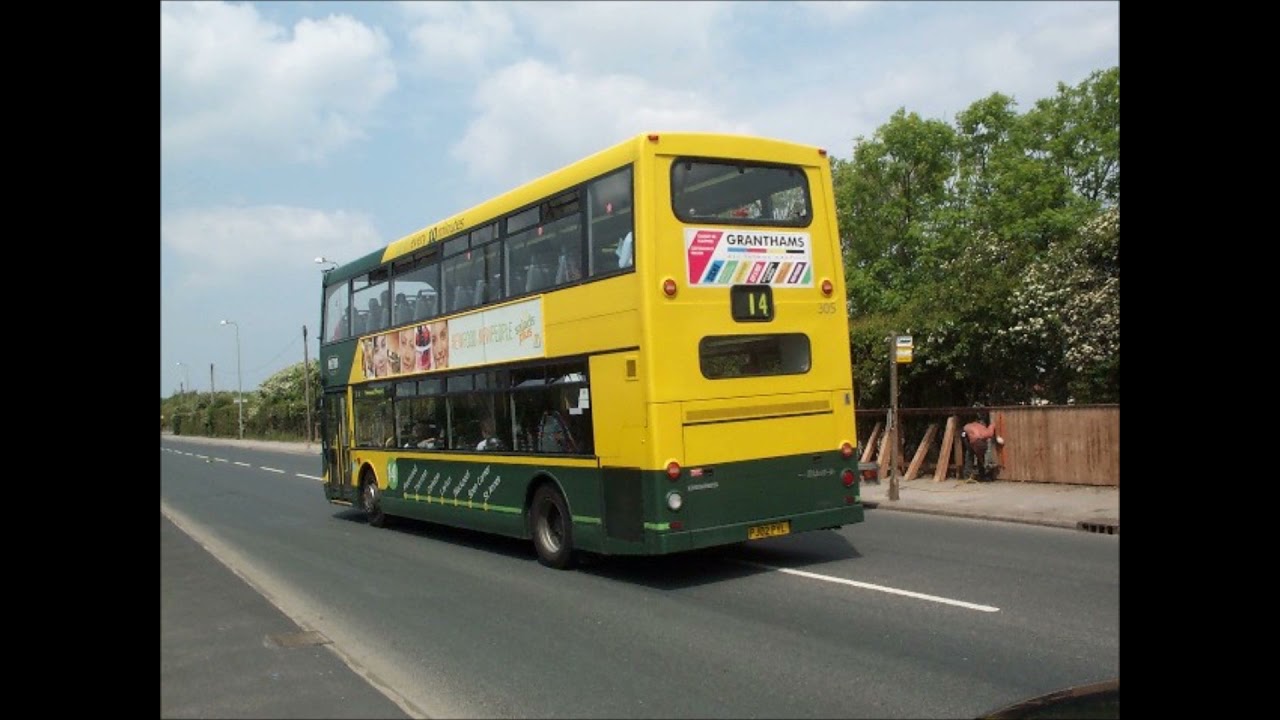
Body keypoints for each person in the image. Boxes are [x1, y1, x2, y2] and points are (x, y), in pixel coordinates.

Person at [961, 415, 1004, 481]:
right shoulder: (984, 433)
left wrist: (997, 436)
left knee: (975, 457)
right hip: (969, 438)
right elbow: (993, 425)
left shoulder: (987, 433)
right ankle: (970, 476)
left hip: (972, 437)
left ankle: (975, 475)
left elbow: (993, 425)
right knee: (971, 456)